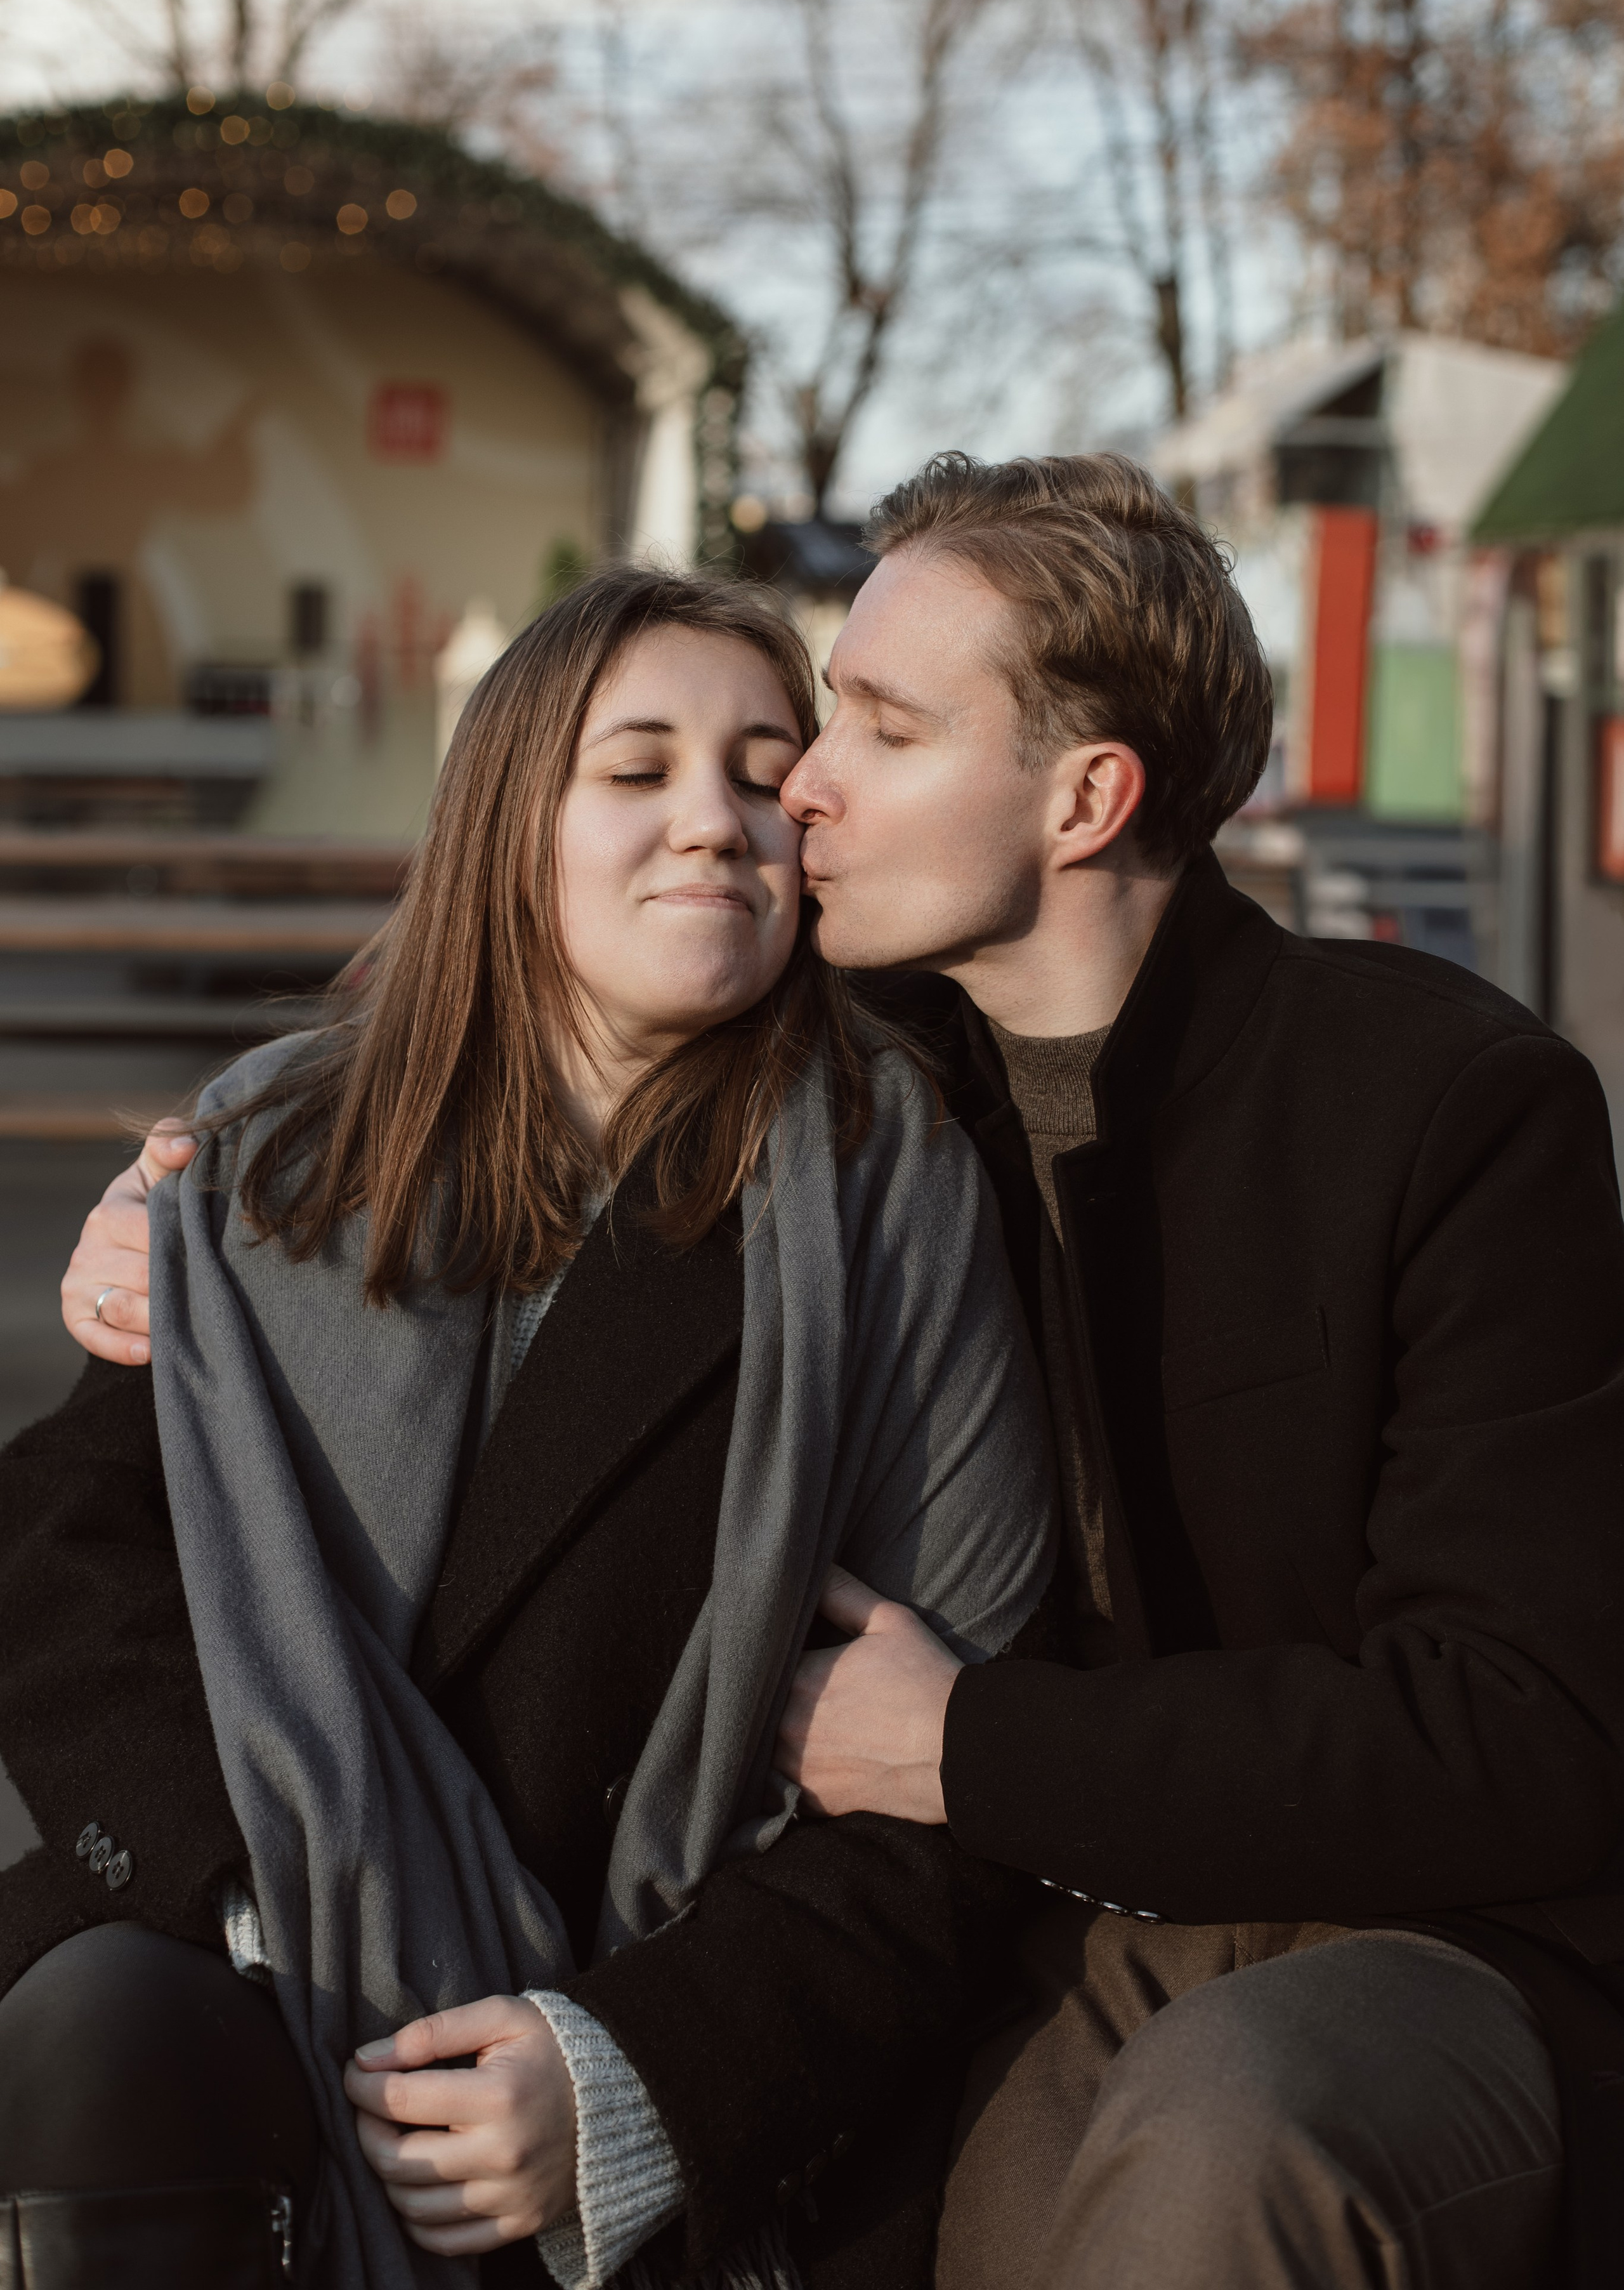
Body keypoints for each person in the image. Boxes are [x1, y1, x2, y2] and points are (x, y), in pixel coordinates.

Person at [65, 456, 1624, 2289]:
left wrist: (963, 1742)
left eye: (874, 727)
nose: (796, 785)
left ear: (1087, 796)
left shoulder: (1436, 1105)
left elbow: (1531, 1725)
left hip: (1421, 1935)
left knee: (1227, 2137)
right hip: (1025, 1940)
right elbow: (487, 1111)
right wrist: (195, 1220)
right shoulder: (844, 1108)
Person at [4, 566, 1058, 2290]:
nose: (712, 822)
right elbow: (67, 1562)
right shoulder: (271, 1153)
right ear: (514, 824)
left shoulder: (890, 1193)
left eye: (762, 772)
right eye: (637, 770)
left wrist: (634, 2082)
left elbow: (953, 1766)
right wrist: (257, 1895)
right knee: (99, 2040)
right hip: (257, 1968)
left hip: (652, 2025)